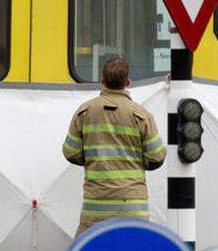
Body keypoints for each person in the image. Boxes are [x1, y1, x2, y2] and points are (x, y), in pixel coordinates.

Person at [62, 56, 166, 236]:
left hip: (95, 210)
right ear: (127, 82)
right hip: (133, 209)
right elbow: (156, 157)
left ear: (102, 81)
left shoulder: (84, 112)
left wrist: (93, 160)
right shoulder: (141, 115)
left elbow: (70, 152)